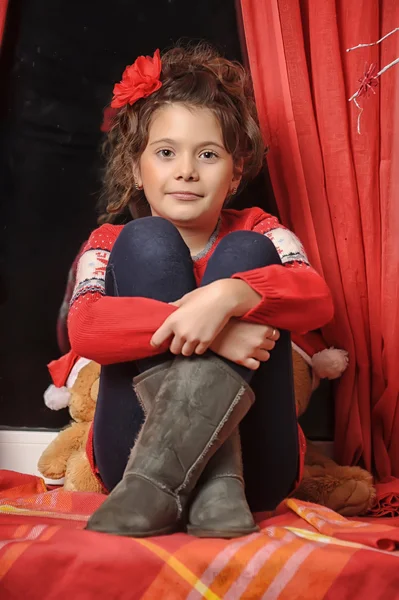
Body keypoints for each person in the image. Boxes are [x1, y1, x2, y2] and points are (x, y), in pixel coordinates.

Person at [68, 43, 334, 539]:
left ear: (235, 174)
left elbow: (316, 298)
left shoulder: (262, 229)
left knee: (245, 254)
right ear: (135, 168)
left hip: (259, 467)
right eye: (166, 153)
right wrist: (215, 334)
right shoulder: (110, 243)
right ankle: (212, 488)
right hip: (131, 453)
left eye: (207, 155)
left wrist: (231, 296)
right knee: (145, 239)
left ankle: (211, 483)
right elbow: (85, 329)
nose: (186, 170)